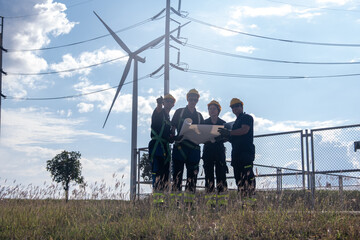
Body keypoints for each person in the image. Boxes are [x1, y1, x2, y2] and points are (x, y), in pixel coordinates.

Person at [218, 98, 256, 197]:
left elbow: (244, 130)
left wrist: (229, 133)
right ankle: (243, 202)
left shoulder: (247, 118)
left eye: (237, 106)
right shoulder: (234, 124)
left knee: (248, 178)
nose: (235, 108)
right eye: (233, 107)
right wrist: (224, 138)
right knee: (239, 180)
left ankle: (251, 202)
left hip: (246, 154)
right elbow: (234, 138)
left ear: (241, 107)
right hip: (236, 155)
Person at [171, 89, 204, 197]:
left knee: (192, 178)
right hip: (180, 147)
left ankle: (189, 204)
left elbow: (203, 131)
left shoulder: (199, 116)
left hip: (193, 149)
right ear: (187, 99)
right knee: (177, 176)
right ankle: (175, 204)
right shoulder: (179, 112)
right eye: (191, 98)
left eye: (195, 99)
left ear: (197, 100)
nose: (193, 101)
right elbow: (173, 126)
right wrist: (173, 136)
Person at [148, 94, 176, 203]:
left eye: (171, 101)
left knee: (165, 175)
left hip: (165, 148)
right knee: (157, 173)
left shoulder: (168, 118)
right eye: (167, 101)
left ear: (173, 104)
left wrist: (173, 137)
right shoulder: (159, 113)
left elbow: (168, 136)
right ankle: (157, 202)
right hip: (157, 147)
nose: (169, 103)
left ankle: (163, 200)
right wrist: (159, 103)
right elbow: (158, 110)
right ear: (164, 103)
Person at [202, 100, 228, 194]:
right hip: (208, 151)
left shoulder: (223, 123)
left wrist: (220, 138)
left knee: (221, 176)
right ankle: (210, 202)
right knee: (209, 177)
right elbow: (200, 136)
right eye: (210, 109)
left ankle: (222, 203)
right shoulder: (204, 123)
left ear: (218, 110)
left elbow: (227, 137)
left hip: (219, 151)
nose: (212, 110)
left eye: (214, 108)